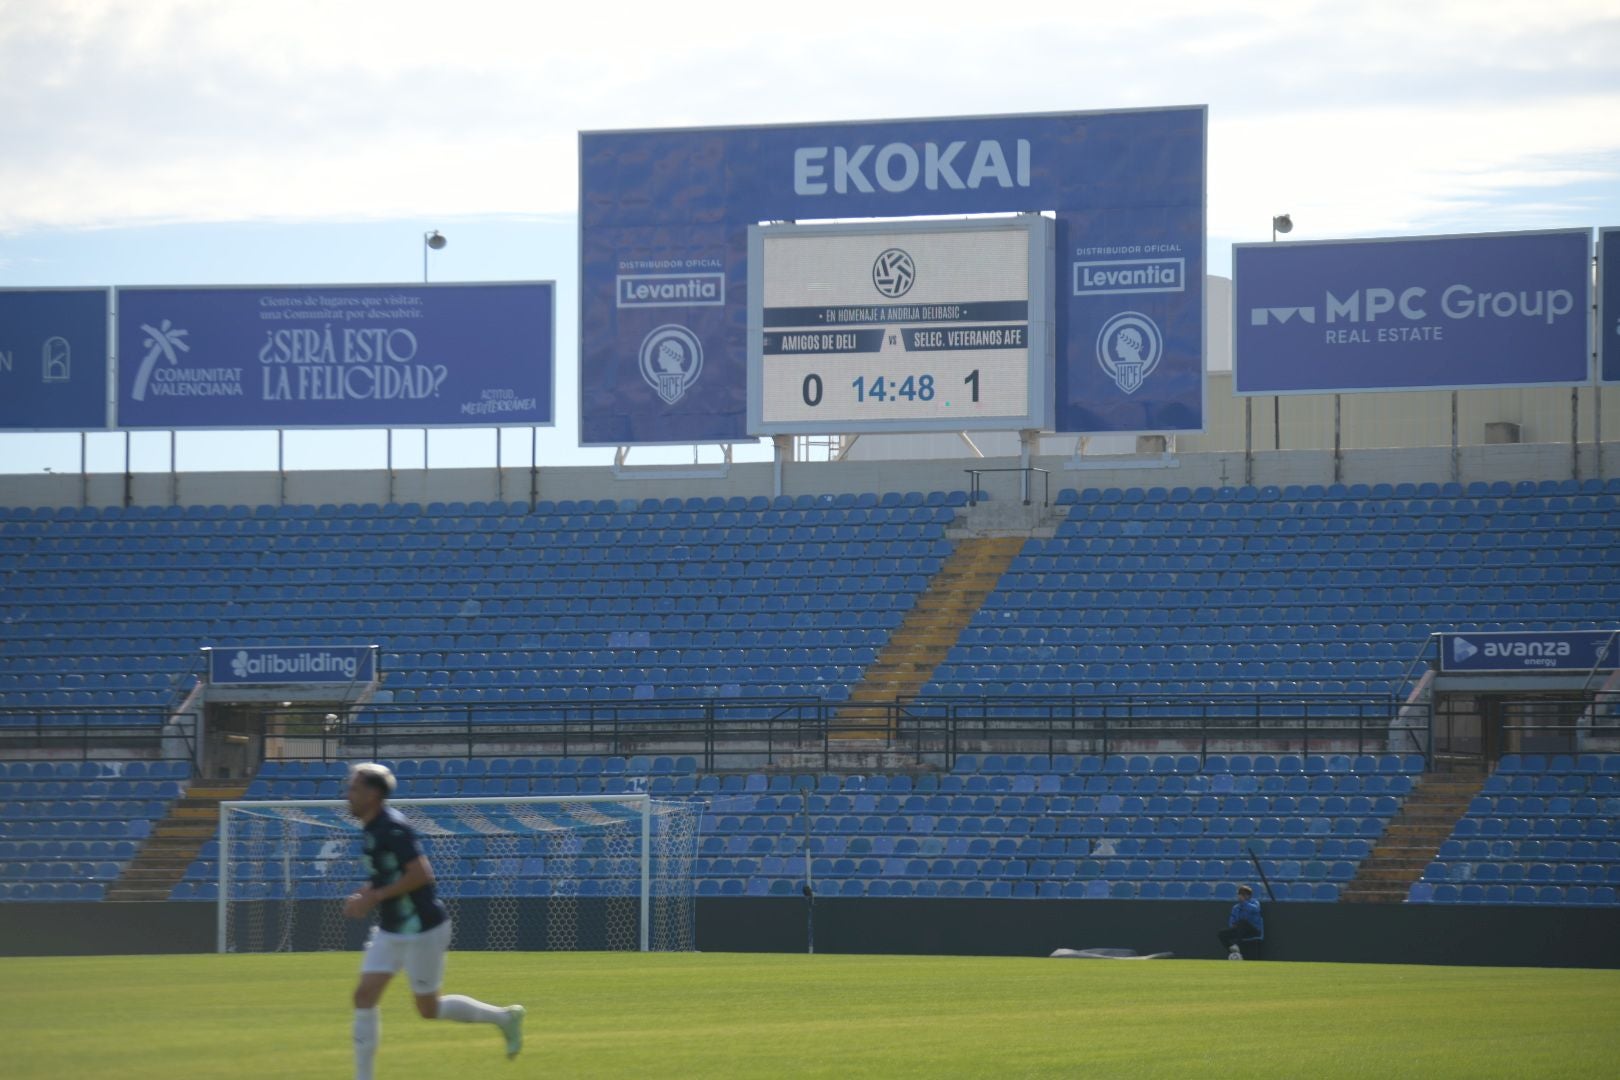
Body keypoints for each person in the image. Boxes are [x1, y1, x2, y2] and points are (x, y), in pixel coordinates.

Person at [343, 762, 524, 1079]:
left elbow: (421, 874)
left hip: (421, 928)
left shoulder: (393, 828)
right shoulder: (372, 828)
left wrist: (375, 896)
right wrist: (366, 893)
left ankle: (504, 1018)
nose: (349, 794)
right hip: (391, 929)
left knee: (429, 1009)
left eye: (354, 788)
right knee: (364, 996)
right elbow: (388, 875)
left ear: (372, 794)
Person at [1217, 884, 1264, 960]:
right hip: (1240, 930)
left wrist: (1244, 902)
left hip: (1253, 931)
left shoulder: (1255, 903)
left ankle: (1238, 945)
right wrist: (1233, 926)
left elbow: (1255, 909)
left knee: (1242, 922)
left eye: (1243, 894)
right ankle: (1234, 950)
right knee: (1221, 933)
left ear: (1248, 896)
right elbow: (1232, 921)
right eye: (1240, 894)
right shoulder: (1235, 907)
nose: (1241, 896)